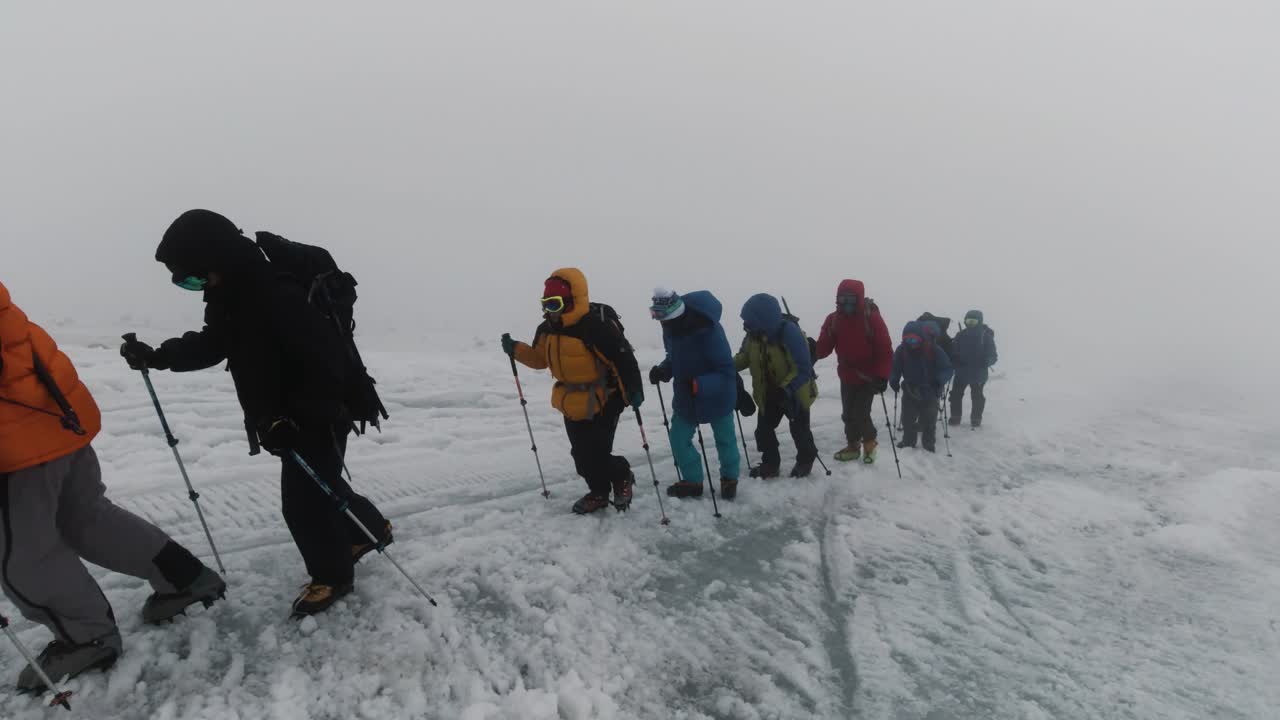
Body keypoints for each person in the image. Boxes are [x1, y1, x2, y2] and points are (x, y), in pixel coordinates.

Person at [120, 209, 389, 618]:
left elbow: (325, 362)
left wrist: (294, 418)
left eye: (194, 277)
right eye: (184, 283)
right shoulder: (232, 294)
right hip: (282, 416)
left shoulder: (277, 294)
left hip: (320, 410)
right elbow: (214, 343)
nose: (195, 287)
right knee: (321, 481)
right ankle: (371, 528)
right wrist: (158, 357)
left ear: (218, 257)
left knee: (302, 503)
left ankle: (333, 575)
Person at [1, 280, 225, 691]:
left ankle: (88, 637)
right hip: (60, 426)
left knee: (23, 555)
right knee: (86, 516)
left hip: (17, 451)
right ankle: (184, 577)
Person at [502, 269, 643, 515]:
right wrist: (516, 349)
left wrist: (632, 392)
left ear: (571, 301)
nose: (550, 310)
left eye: (555, 304)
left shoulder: (594, 327)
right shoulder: (546, 329)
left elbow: (623, 361)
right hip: (571, 399)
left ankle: (621, 475)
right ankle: (598, 492)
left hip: (605, 398)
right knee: (581, 456)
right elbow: (539, 359)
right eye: (545, 304)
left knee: (597, 454)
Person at [648, 288, 741, 499]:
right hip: (686, 396)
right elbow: (673, 357)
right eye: (655, 315)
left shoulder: (709, 330)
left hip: (717, 396)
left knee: (725, 440)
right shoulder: (670, 328)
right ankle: (693, 481)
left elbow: (726, 371)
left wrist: (699, 384)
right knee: (678, 439)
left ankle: (730, 479)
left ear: (674, 313)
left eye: (661, 316)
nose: (659, 322)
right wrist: (664, 370)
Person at [735, 294, 818, 479]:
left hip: (795, 391)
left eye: (749, 320)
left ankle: (806, 459)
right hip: (768, 393)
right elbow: (743, 358)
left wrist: (786, 390)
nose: (745, 325)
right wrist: (723, 366)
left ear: (762, 319)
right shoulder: (752, 336)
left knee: (799, 430)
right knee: (763, 431)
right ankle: (771, 464)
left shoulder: (789, 332)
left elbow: (802, 368)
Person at [814, 280, 892, 464]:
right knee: (848, 413)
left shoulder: (871, 318)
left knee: (861, 413)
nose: (845, 303)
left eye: (850, 299)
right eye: (842, 299)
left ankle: (870, 443)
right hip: (847, 374)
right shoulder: (833, 319)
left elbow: (885, 350)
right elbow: (823, 348)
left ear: (859, 299)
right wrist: (810, 349)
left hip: (869, 376)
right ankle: (853, 445)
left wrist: (882, 375)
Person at [889, 321, 955, 452]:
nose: (911, 343)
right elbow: (895, 368)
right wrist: (894, 380)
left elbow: (947, 369)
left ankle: (928, 443)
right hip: (909, 389)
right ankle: (908, 441)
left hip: (930, 389)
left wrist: (939, 380)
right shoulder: (902, 350)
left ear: (922, 338)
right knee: (908, 418)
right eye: (908, 339)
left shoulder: (934, 350)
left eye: (914, 339)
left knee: (929, 419)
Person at [950, 310, 998, 428]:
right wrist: (954, 359)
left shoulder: (985, 337)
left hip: (978, 373)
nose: (970, 323)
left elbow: (993, 356)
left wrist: (985, 361)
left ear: (979, 322)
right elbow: (953, 351)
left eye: (973, 321)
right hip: (961, 371)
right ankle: (955, 417)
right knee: (956, 394)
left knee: (977, 396)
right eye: (968, 321)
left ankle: (976, 419)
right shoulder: (960, 335)